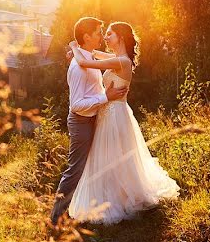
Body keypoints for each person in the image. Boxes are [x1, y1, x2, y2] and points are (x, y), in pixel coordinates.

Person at [66, 22, 180, 224]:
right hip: (108, 113)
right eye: (105, 34)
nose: (106, 37)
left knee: (115, 156)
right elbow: (94, 56)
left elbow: (85, 63)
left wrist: (75, 48)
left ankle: (121, 198)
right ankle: (115, 195)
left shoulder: (123, 62)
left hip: (115, 115)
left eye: (110, 34)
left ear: (120, 37)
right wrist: (83, 52)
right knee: (109, 157)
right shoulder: (117, 59)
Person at [50, 17, 129, 225]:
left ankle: (98, 204)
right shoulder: (78, 67)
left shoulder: (90, 59)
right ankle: (56, 218)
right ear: (86, 37)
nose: (102, 36)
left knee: (94, 165)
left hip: (97, 118)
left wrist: (73, 47)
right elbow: (76, 105)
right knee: (75, 169)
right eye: (98, 33)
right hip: (81, 122)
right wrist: (106, 97)